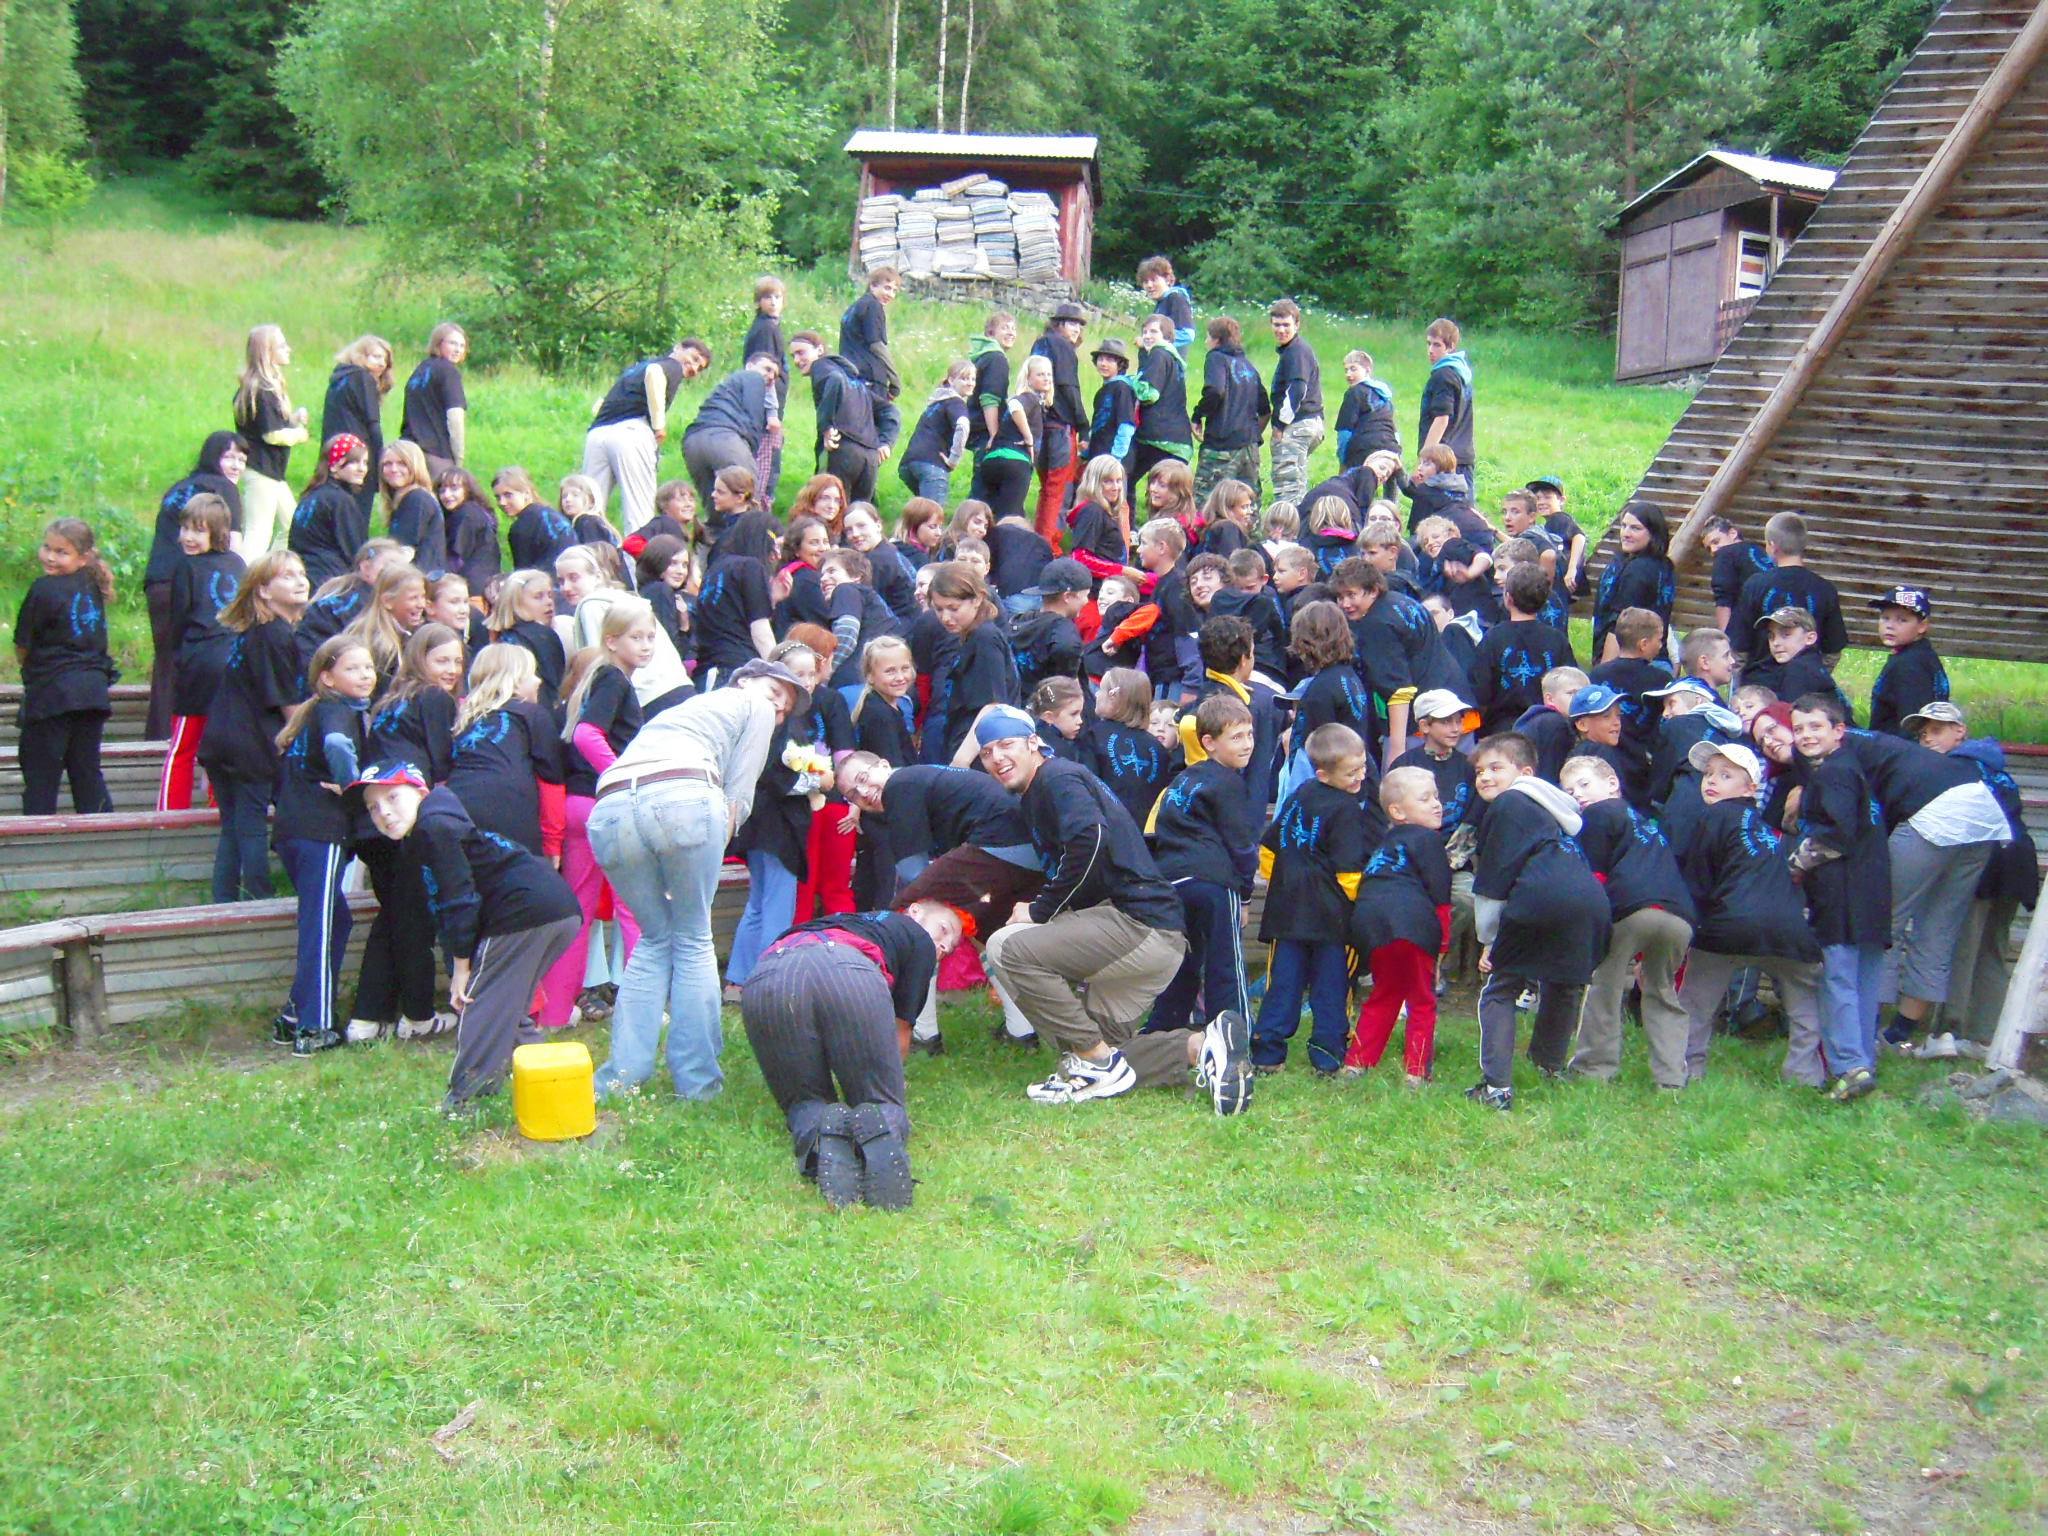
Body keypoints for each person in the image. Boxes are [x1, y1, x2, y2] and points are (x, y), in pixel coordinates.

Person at [974, 708, 1255, 1114]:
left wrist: (1040, 911)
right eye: (986, 752)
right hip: (1155, 935)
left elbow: (1090, 839)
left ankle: (1094, 1061)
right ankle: (1202, 1048)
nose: (997, 757)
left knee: (1008, 947)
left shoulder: (1056, 777)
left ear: (1033, 742)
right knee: (1099, 1048)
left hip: (1137, 923)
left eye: (1006, 745)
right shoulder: (1043, 790)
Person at [587, 658, 806, 1100]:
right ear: (744, 679)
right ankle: (698, 1082)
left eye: (785, 709)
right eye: (775, 693)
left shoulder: (681, 712)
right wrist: (708, 847)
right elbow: (739, 793)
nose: (777, 709)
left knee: (654, 938)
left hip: (609, 806)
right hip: (684, 795)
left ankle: (621, 1078)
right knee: (692, 938)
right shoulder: (752, 706)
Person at [354, 764, 583, 1115]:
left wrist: (462, 967)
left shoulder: (434, 827)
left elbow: (459, 899)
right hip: (556, 909)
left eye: (393, 797)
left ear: (421, 792)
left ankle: (465, 1104)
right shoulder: (433, 825)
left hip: (523, 911)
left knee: (478, 1006)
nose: (383, 812)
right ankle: (556, 1089)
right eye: (373, 806)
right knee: (504, 1008)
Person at [741, 901, 965, 1210]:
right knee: (878, 1101)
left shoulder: (841, 919)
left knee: (805, 1102)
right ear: (914, 911)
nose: (942, 945)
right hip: (848, 970)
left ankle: (822, 1137)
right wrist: (887, 1082)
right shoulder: (917, 938)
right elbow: (900, 1030)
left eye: (948, 947)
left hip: (768, 975)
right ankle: (876, 1133)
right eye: (943, 930)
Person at [1466, 732, 1611, 1111]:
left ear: (1525, 773)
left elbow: (1495, 875)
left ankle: (1496, 1088)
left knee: (1501, 989)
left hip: (1539, 895)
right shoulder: (1557, 815)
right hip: (1590, 902)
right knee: (1564, 985)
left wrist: (1489, 938)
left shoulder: (1508, 803)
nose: (1485, 777)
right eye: (1479, 771)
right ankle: (1549, 1067)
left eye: (1495, 768)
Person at [1676, 740, 1830, 1089]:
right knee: (1805, 1007)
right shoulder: (1767, 831)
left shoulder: (1713, 817)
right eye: (1709, 774)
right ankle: (1806, 1076)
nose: (1711, 781)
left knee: (1695, 1003)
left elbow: (1698, 881)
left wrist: (1689, 926)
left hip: (1730, 926)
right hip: (1789, 931)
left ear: (1750, 788)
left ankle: (1686, 1068)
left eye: (1726, 775)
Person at [349, 623, 465, 1044]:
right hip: (402, 815)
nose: (451, 669)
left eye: (457, 661)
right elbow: (442, 762)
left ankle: (368, 1018)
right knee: (414, 918)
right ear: (419, 659)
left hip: (369, 817)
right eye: (441, 660)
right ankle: (417, 1015)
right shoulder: (433, 698)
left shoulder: (389, 701)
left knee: (394, 916)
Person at [543, 599, 653, 1031]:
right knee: (634, 907)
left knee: (579, 913)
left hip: (576, 806)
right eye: (636, 637)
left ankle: (554, 1012)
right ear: (611, 641)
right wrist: (621, 777)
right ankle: (643, 1008)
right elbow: (588, 735)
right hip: (603, 806)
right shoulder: (613, 678)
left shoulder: (593, 680)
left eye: (650, 637)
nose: (645, 645)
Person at [1559, 754, 1697, 1090]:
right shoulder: (1648, 825)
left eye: (1584, 784)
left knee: (1605, 986)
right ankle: (1671, 1079)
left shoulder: (1598, 814)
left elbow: (1594, 878)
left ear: (1612, 784)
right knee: (1662, 992)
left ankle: (1593, 1069)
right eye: (1570, 791)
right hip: (1678, 916)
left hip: (1630, 910)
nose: (1578, 794)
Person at [1910, 702, 2040, 1055]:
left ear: (1960, 732)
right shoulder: (1991, 765)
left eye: (1937, 730)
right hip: (2016, 862)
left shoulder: (1954, 768)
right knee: (1992, 948)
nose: (1928, 739)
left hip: (1982, 863)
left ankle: (1946, 1032)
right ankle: (1985, 1035)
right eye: (1923, 734)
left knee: (1959, 946)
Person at [270, 635, 376, 1055]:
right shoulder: (336, 710)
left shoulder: (314, 712)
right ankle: (316, 1026)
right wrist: (355, 787)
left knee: (337, 919)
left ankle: (293, 1015)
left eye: (368, 667)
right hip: (319, 831)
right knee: (321, 924)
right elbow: (336, 746)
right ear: (328, 678)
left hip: (292, 830)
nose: (364, 675)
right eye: (352, 668)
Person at [1787, 694, 1890, 1099]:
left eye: (1816, 726)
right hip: (1872, 891)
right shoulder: (1852, 769)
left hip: (1842, 893)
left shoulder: (1832, 772)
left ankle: (1848, 1066)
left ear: (1839, 730)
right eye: (1798, 729)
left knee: (1838, 979)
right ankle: (1863, 1061)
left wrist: (1798, 861)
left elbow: (1838, 833)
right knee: (1863, 981)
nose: (1806, 735)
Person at [1251, 722, 1369, 1073]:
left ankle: (1267, 1054)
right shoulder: (1347, 808)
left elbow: (1268, 848)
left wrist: (1281, 881)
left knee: (1281, 987)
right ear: (1323, 773)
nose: (1360, 777)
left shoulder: (1301, 794)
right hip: (1332, 920)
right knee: (1332, 989)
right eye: (1351, 772)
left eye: (1362, 767)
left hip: (1286, 914)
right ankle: (1327, 1057)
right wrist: (1359, 905)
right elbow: (1348, 872)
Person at [1144, 693, 1261, 1036]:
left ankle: (1160, 1033)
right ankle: (1234, 1036)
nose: (1247, 744)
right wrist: (1245, 896)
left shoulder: (1183, 780)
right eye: (1236, 737)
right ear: (1209, 743)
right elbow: (1242, 847)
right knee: (1226, 964)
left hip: (1173, 881)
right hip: (1212, 883)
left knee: (1183, 963)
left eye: (1249, 734)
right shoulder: (1229, 783)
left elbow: (1159, 828)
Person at [200, 552, 309, 906]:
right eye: (287, 576)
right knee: (250, 825)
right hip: (248, 745)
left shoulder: (254, 631)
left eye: (301, 574)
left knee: (232, 827)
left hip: (220, 739)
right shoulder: (276, 634)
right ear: (263, 590)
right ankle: (260, 898)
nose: (300, 581)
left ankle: (224, 898)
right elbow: (287, 702)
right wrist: (310, 740)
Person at [1344, 765, 1452, 1082]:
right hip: (1412, 922)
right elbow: (1441, 897)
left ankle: (1356, 1064)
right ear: (1397, 811)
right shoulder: (1428, 840)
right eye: (1425, 799)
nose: (1436, 804)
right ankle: (1416, 1072)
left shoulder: (1385, 845)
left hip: (1369, 923)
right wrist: (1441, 947)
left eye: (1436, 797)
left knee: (1385, 992)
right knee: (1422, 999)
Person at [146, 432, 248, 736]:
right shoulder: (223, 490)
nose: (236, 465)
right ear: (212, 457)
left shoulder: (178, 488)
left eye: (242, 459)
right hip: (200, 579)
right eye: (229, 457)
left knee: (166, 659)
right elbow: (233, 544)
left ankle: (160, 733)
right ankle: (185, 733)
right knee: (196, 656)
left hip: (158, 580)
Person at [15, 518, 118, 816]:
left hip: (53, 696)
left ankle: (36, 836)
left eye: (61, 552)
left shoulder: (42, 589)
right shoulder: (91, 584)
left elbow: (23, 643)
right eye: (47, 548)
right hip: (92, 694)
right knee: (87, 772)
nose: (50, 556)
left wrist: (31, 671)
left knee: (40, 775)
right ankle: (104, 833)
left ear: (82, 558)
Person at [159, 496, 245, 811]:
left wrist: (177, 658)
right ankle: (218, 812)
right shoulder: (237, 563)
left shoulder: (186, 567)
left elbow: (179, 619)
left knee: (182, 748)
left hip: (200, 664)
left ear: (217, 532)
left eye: (198, 530)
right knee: (221, 748)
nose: (187, 537)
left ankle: (169, 817)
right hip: (234, 662)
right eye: (184, 529)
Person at [446, 643, 565, 858]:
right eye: (532, 674)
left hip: (457, 807)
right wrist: (552, 843)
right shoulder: (532, 714)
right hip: (510, 808)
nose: (538, 681)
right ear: (515, 681)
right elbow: (551, 782)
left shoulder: (464, 719)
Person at [582, 338, 712, 534]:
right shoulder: (671, 365)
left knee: (587, 509)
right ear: (678, 347)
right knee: (639, 513)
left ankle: (584, 550)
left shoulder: (635, 369)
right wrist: (659, 425)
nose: (694, 368)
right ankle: (639, 554)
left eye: (699, 367)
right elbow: (655, 373)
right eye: (694, 359)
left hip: (598, 432)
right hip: (631, 432)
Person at [920, 563, 1019, 766]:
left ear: (978, 599)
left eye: (953, 608)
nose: (945, 617)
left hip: (979, 751)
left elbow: (993, 704)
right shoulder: (971, 635)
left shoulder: (984, 638)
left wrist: (961, 760)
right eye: (938, 609)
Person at [1728, 511, 1847, 669]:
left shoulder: (1755, 585)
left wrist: (1742, 680)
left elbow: (1738, 648)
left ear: (1772, 546)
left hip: (1761, 680)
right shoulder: (1825, 589)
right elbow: (1832, 651)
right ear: (1804, 544)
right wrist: (1815, 675)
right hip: (1806, 679)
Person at [1470, 562, 1576, 737]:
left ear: (1508, 598)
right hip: (1548, 728)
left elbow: (1480, 691)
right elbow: (1571, 685)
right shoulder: (1557, 640)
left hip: (1501, 730)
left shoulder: (1494, 638)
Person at [232, 324, 310, 556]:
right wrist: (299, 434)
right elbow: (271, 435)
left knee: (292, 528)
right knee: (258, 533)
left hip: (272, 472)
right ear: (267, 352)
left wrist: (292, 420)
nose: (288, 349)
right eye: (282, 346)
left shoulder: (263, 387)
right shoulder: (262, 390)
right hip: (261, 470)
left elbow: (265, 425)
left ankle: (268, 570)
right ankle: (244, 575)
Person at [791, 331, 887, 502]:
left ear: (819, 350)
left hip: (842, 450)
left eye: (801, 353)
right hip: (869, 457)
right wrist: (886, 442)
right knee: (860, 511)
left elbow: (834, 380)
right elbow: (890, 411)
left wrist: (826, 427)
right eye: (793, 356)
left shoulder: (821, 365)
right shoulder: (855, 382)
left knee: (828, 507)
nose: (796, 361)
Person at [682, 354, 782, 516]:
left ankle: (715, 531)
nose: (770, 376)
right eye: (767, 369)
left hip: (692, 442)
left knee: (715, 506)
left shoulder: (727, 387)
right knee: (748, 495)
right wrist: (751, 452)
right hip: (724, 438)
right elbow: (753, 418)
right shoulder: (752, 377)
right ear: (750, 366)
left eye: (775, 375)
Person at [1081, 668, 1176, 832]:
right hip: (1148, 835)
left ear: (1114, 697)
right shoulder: (1158, 748)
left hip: (1110, 831)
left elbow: (1086, 790)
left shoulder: (1094, 737)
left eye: (1101, 690)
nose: (1096, 695)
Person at [1191, 316, 1270, 502]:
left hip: (1221, 446)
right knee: (1247, 505)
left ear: (1217, 340)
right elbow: (1265, 410)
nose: (1206, 342)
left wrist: (1197, 415)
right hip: (1249, 447)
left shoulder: (1215, 358)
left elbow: (1215, 391)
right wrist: (1250, 435)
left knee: (1206, 501)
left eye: (1208, 337)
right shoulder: (1248, 365)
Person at [1030, 303, 1089, 541]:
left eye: (1079, 325)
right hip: (1060, 426)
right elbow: (1068, 387)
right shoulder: (1061, 345)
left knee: (1046, 487)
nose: (1076, 329)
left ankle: (1037, 540)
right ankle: (1048, 544)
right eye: (1071, 323)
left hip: (1039, 424)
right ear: (1058, 324)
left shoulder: (1039, 344)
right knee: (1059, 488)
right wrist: (1083, 425)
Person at [320, 336, 394, 519]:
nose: (382, 364)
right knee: (357, 515)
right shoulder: (362, 378)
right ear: (360, 355)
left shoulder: (338, 379)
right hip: (358, 454)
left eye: (385, 359)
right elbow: (373, 424)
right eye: (376, 357)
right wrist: (380, 460)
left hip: (335, 454)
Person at [1592, 500, 1675, 662]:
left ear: (1653, 534)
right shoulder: (1664, 564)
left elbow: (1621, 624)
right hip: (1656, 655)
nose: (1626, 533)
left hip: (1630, 661)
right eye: (1624, 526)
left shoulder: (1638, 570)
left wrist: (1606, 669)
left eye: (1635, 528)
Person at [290, 435, 373, 591]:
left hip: (304, 576)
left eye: (365, 462)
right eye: (354, 462)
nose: (362, 469)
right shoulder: (340, 500)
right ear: (334, 465)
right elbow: (356, 552)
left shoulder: (311, 495)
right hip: (331, 582)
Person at [1867, 585, 1948, 738]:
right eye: (1885, 618)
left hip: (1897, 747)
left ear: (1922, 626)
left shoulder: (1910, 665)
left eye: (1902, 620)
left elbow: (1913, 723)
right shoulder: (1921, 654)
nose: (1890, 626)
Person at [1265, 300, 1324, 507]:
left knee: (1288, 488)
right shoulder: (1292, 350)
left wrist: (1280, 424)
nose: (1281, 330)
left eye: (1286, 325)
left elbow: (1298, 389)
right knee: (1294, 480)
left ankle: (1290, 524)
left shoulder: (1297, 351)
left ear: (1297, 325)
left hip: (1299, 424)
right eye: (1277, 325)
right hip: (1309, 422)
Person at [980, 354, 1050, 527]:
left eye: (1048, 374)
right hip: (1015, 462)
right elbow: (1015, 406)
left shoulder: (1035, 401)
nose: (1046, 378)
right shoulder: (1029, 397)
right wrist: (1029, 438)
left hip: (991, 460)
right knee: (1010, 518)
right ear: (1028, 378)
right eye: (1040, 374)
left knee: (987, 516)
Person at [840, 266, 902, 450]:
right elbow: (877, 345)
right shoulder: (873, 306)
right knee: (872, 439)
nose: (890, 294)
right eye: (887, 288)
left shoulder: (855, 306)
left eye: (894, 290)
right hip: (869, 379)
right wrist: (895, 381)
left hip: (850, 378)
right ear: (873, 286)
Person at [898, 360, 975, 505]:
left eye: (973, 379)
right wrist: (954, 459)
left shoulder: (936, 402)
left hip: (908, 464)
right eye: (964, 378)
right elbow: (963, 426)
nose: (970, 383)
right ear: (951, 380)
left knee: (922, 513)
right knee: (933, 515)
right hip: (932, 464)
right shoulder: (956, 402)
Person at [398, 323, 469, 479]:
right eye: (452, 343)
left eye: (462, 345)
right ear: (438, 343)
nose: (458, 350)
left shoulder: (419, 371)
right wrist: (458, 459)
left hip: (406, 449)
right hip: (435, 453)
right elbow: (455, 416)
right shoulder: (448, 372)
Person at [1131, 314, 1194, 489]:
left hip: (1158, 438)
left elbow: (1149, 394)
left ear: (1166, 336)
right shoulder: (1174, 359)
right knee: (1171, 493)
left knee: (1124, 480)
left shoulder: (1158, 353)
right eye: (1144, 332)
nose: (1147, 336)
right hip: (1179, 440)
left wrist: (1130, 382)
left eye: (1153, 331)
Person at [742, 277, 789, 502]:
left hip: (766, 407)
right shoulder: (766, 329)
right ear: (758, 302)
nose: (773, 302)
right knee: (767, 460)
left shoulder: (767, 326)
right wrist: (771, 412)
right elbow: (764, 375)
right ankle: (761, 505)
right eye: (767, 297)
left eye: (777, 297)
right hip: (766, 410)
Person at [966, 310, 1018, 493]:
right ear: (990, 333)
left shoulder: (984, 357)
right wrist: (994, 435)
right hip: (985, 430)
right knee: (982, 489)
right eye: (1004, 328)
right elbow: (989, 399)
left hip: (975, 425)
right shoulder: (997, 358)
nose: (1011, 332)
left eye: (1013, 328)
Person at [379, 441, 447, 578]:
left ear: (415, 466)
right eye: (387, 464)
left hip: (419, 581)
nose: (394, 469)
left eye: (402, 463)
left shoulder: (417, 499)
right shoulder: (402, 500)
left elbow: (405, 551)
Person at [1418, 318, 1475, 477]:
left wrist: (1424, 461)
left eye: (1437, 345)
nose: (1430, 350)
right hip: (1463, 456)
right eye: (1428, 343)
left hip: (1442, 462)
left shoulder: (1443, 376)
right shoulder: (1460, 373)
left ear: (1451, 347)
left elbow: (1441, 420)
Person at [1702, 514, 1771, 633]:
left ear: (1733, 533)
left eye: (1716, 541)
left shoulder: (1725, 554)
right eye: (1709, 548)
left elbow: (1723, 601)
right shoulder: (1760, 551)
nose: (1713, 550)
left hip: (1750, 629)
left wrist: (1726, 638)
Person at [1084, 337, 1143, 476]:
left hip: (1113, 460)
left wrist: (1115, 459)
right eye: (1100, 359)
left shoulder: (1122, 388)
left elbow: (1126, 425)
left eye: (1110, 360)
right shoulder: (1103, 391)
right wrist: (1085, 453)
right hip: (1099, 456)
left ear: (1120, 365)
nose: (1103, 364)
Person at [436, 468, 500, 590]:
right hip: (486, 583)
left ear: (468, 489)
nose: (447, 495)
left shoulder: (466, 515)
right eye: (442, 490)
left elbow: (455, 559)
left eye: (454, 488)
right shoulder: (479, 511)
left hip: (470, 588)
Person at [1333, 350, 1398, 469]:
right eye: (1346, 370)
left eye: (1353, 369)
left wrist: (1343, 461)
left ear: (1367, 370)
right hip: (1391, 450)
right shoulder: (1385, 398)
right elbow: (1394, 431)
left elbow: (1345, 431)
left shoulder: (1354, 393)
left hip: (1364, 451)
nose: (1348, 374)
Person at [1138, 255, 1195, 352]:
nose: (1149, 285)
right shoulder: (1161, 303)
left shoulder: (1176, 299)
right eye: (1145, 282)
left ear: (1167, 280)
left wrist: (1151, 340)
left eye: (1154, 280)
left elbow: (1188, 335)